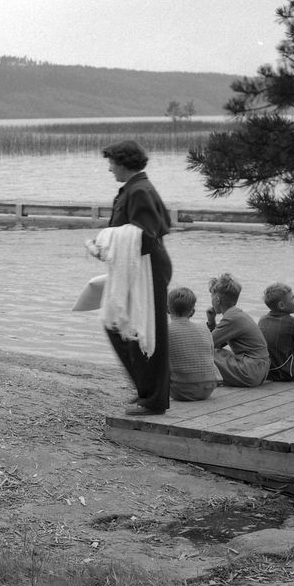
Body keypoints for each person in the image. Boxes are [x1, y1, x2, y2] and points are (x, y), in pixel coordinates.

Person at [99, 139, 172, 416]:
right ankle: (147, 390)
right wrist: (107, 247)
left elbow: (147, 234)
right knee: (119, 324)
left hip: (146, 268)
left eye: (112, 163)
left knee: (144, 328)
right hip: (136, 266)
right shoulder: (136, 188)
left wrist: (106, 242)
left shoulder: (140, 190)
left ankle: (153, 399)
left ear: (124, 163)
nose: (109, 169)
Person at [206, 273, 270, 387]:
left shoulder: (231, 319)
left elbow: (206, 344)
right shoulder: (237, 314)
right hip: (259, 369)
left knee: (202, 354)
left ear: (217, 300)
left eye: (211, 296)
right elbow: (218, 344)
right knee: (217, 352)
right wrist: (212, 322)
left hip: (251, 370)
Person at [167, 287, 222, 401]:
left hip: (180, 390)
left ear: (167, 309)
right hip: (208, 388)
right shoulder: (204, 328)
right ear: (192, 312)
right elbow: (211, 355)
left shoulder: (166, 331)